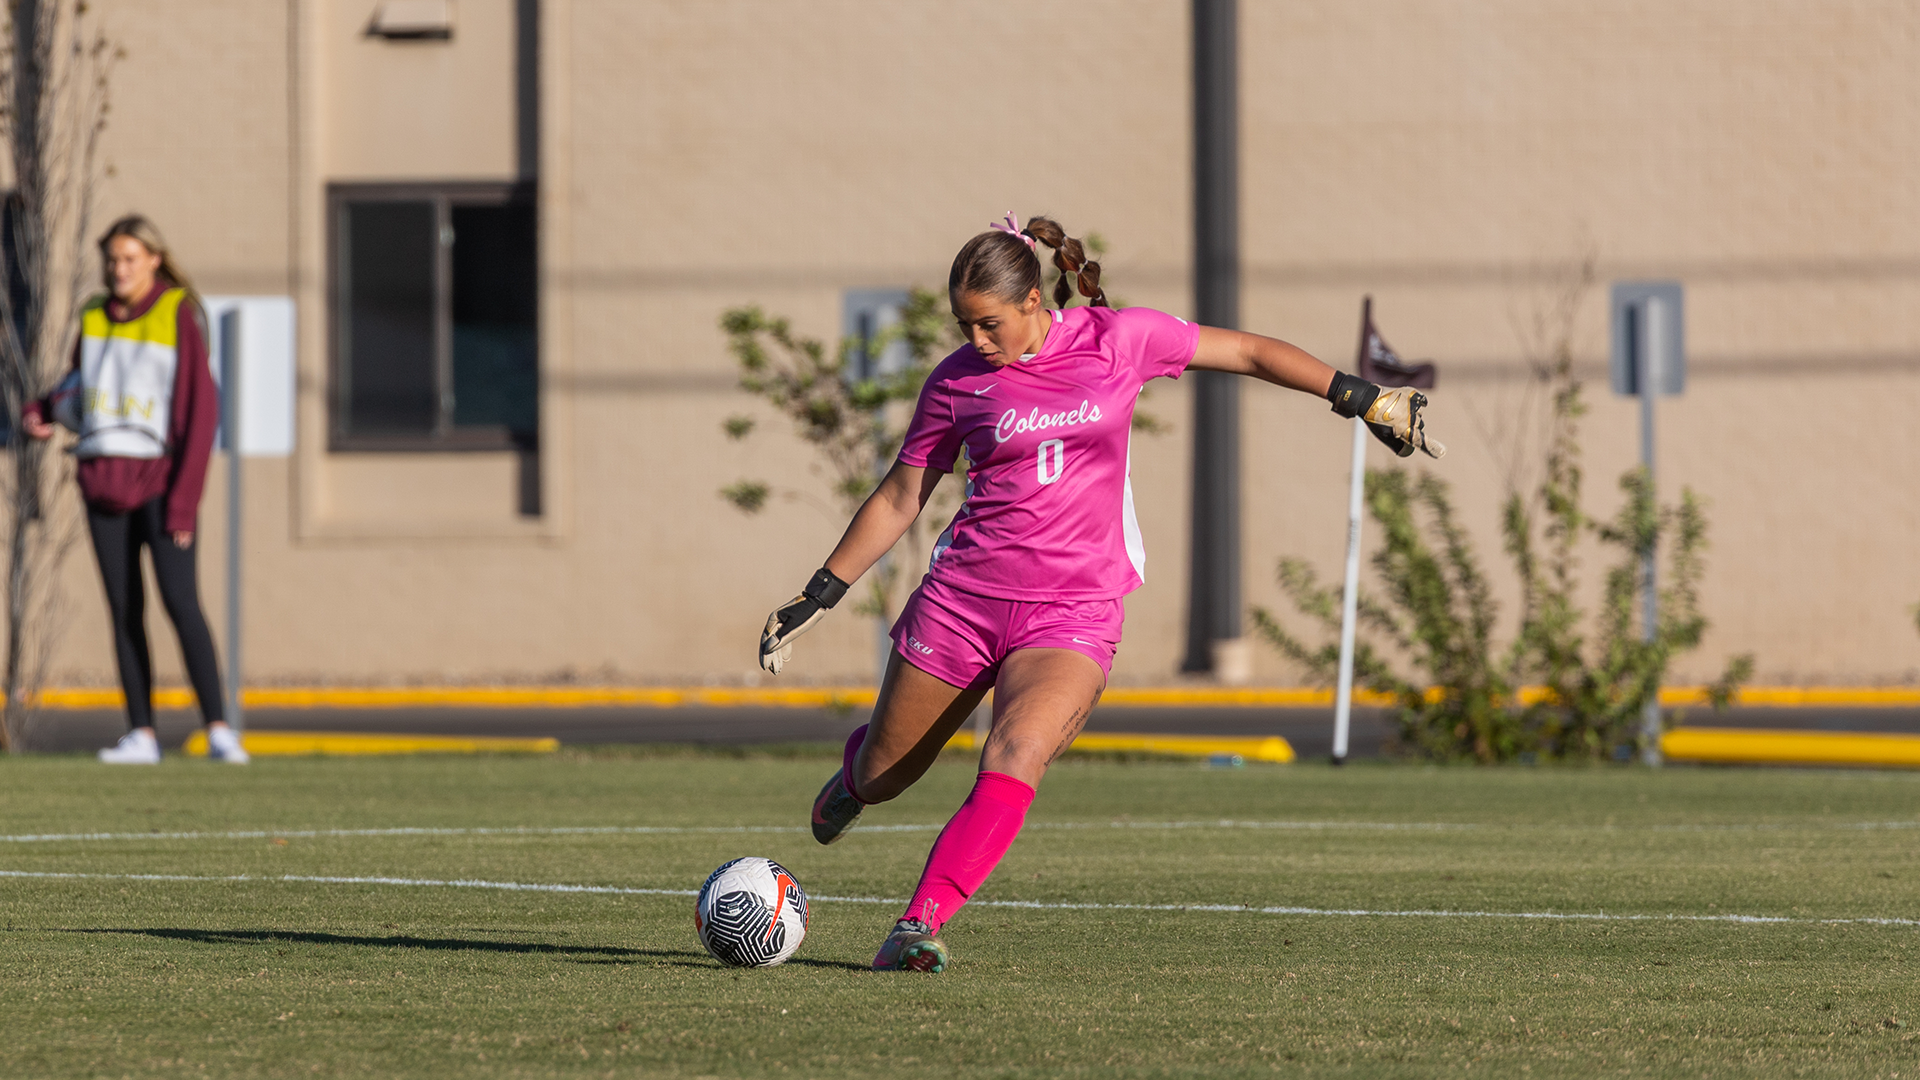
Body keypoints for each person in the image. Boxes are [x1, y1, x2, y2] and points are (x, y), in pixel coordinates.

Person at [756, 214, 1443, 972]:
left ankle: (918, 924)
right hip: (963, 602)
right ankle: (852, 782)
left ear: (1032, 303)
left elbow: (1246, 350)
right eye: (964, 325)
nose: (977, 341)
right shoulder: (955, 382)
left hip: (1074, 611)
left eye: (989, 324)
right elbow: (899, 496)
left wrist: (1360, 395)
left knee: (1018, 751)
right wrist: (818, 593)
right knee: (888, 774)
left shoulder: (1119, 339)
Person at [22, 215, 243, 765]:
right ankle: (141, 733)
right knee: (124, 609)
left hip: (161, 485)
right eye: (112, 260)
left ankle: (218, 728)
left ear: (153, 259)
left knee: (180, 603)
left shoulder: (176, 314)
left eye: (129, 258)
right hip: (103, 481)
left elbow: (201, 412)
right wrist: (43, 409)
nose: (118, 269)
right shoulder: (94, 315)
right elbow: (80, 383)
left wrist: (184, 503)